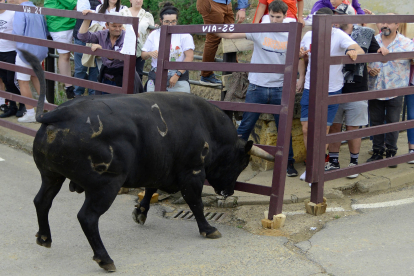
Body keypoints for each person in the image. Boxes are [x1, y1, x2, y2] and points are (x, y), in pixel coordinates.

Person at [213, 0, 298, 176]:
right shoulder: (260, 29)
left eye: (278, 17)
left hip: (279, 87)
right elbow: (229, 35)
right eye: (271, 16)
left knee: (283, 127)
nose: (274, 20)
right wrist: (211, 27)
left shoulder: (291, 33)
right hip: (257, 86)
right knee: (245, 126)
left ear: (284, 16)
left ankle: (288, 163)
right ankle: (232, 159)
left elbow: (303, 53)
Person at [296, 7, 364, 183]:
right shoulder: (308, 35)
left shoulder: (339, 35)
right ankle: (312, 165)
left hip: (332, 89)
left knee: (323, 130)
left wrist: (351, 51)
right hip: (311, 87)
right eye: (318, 22)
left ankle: (315, 168)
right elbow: (301, 57)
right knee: (306, 128)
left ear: (332, 22)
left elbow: (359, 50)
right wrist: (301, 75)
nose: (321, 26)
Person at [326, 4, 389, 178]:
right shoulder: (330, 33)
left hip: (357, 88)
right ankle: (334, 162)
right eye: (334, 15)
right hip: (334, 88)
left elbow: (378, 50)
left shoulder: (365, 33)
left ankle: (353, 163)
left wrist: (382, 50)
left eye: (339, 15)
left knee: (354, 128)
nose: (336, 18)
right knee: (334, 127)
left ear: (350, 17)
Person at [367, 14, 414, 167]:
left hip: (396, 88)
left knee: (393, 122)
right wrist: (368, 68)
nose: (384, 25)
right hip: (375, 87)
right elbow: (362, 61)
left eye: (388, 22)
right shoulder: (372, 40)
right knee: (376, 122)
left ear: (397, 24)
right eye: (382, 22)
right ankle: (377, 152)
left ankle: (391, 153)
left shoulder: (407, 43)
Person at [78, 11, 143, 93]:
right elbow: (83, 37)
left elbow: (119, 56)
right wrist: (87, 19)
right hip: (106, 76)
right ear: (107, 25)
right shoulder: (102, 34)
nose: (118, 29)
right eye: (114, 26)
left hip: (123, 77)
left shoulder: (127, 37)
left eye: (120, 26)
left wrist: (102, 51)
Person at [141, 2, 194, 93]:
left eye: (173, 21)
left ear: (177, 20)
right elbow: (143, 54)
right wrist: (150, 53)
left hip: (178, 76)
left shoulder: (184, 35)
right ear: (161, 21)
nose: (170, 25)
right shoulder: (154, 34)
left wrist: (177, 75)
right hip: (157, 74)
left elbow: (189, 57)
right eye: (167, 22)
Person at [196, 0, 248, 86]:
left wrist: (242, 8)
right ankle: (206, 74)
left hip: (227, 3)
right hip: (211, 2)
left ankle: (235, 72)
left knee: (231, 34)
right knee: (213, 37)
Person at [13, 0, 48, 123]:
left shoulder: (20, 10)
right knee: (35, 76)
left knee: (23, 82)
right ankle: (45, 105)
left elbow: (17, 33)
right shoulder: (37, 9)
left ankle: (30, 113)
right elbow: (45, 30)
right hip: (40, 50)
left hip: (26, 51)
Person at [44, 0, 77, 99]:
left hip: (70, 21)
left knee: (73, 54)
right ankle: (69, 87)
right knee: (64, 55)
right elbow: (73, 4)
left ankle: (74, 84)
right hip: (60, 24)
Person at [72, 0, 101, 97]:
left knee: (95, 68)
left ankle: (93, 96)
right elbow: (82, 10)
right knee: (80, 68)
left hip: (98, 37)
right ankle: (78, 95)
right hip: (82, 35)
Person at [120, 0, 155, 81]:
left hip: (140, 49)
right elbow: (116, 27)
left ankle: (136, 92)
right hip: (123, 48)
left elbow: (152, 34)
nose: (138, 1)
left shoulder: (148, 15)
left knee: (138, 74)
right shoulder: (122, 12)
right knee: (122, 73)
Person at [0, 0, 22, 118]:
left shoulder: (12, 13)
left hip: (11, 51)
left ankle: (23, 105)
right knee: (5, 80)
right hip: (0, 51)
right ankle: (12, 107)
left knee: (13, 80)